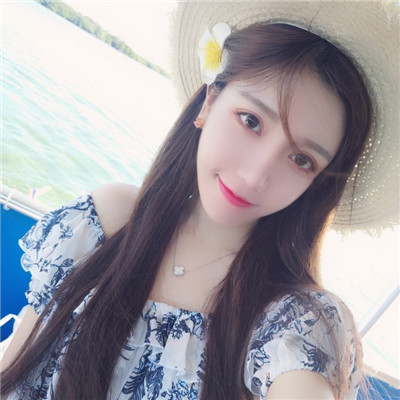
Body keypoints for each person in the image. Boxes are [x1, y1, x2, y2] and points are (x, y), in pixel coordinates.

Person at [1, 1, 399, 399]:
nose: (255, 176)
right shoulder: (102, 223)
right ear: (210, 102)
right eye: (251, 121)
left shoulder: (297, 320)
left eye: (301, 159)